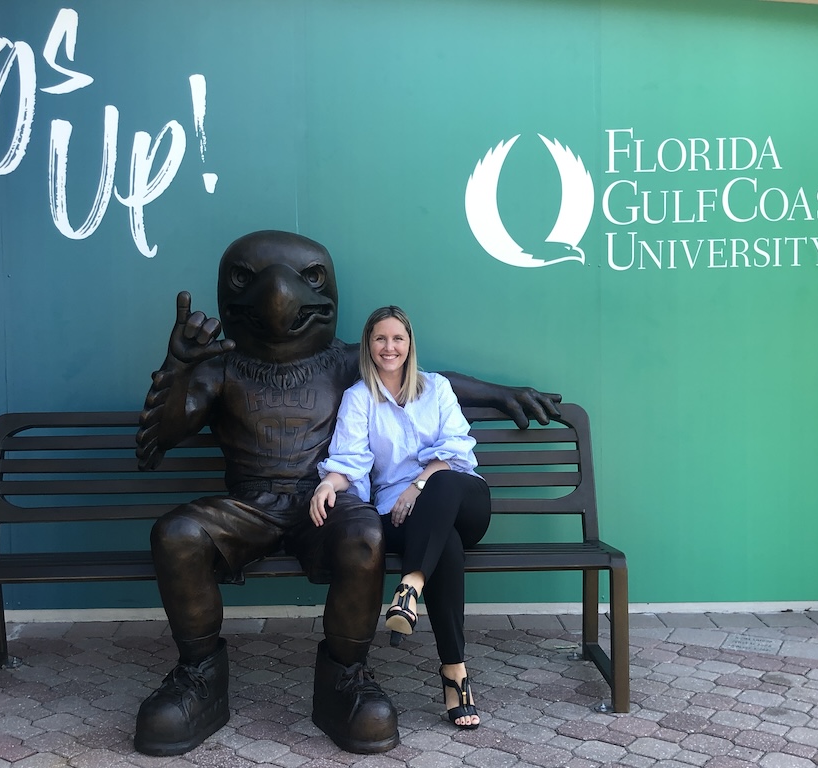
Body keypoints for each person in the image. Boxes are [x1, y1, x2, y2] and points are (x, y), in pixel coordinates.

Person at [134, 231, 561, 756]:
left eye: (307, 279)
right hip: (249, 506)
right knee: (177, 533)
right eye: (250, 279)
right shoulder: (222, 366)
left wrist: (500, 393)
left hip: (327, 504)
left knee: (364, 536)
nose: (278, 297)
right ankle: (197, 675)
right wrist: (180, 367)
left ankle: (346, 676)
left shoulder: (343, 364)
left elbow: (428, 380)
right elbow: (160, 441)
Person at [310, 305, 491, 730]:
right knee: (442, 545)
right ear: (369, 346)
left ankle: (411, 582)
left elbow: (458, 450)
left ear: (410, 345)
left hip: (463, 500)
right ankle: (455, 673)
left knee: (442, 487)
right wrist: (327, 485)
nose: (389, 347)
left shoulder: (437, 388)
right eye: (380, 339)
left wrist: (419, 484)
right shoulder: (359, 399)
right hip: (403, 519)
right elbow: (350, 461)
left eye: (397, 339)